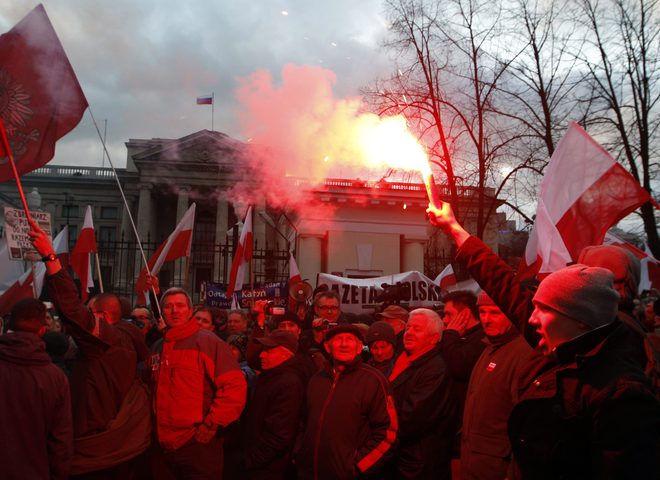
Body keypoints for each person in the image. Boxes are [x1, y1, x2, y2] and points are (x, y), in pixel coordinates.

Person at [426, 200, 660, 478]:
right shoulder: (564, 339)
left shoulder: (622, 391)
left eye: (544, 310)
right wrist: (454, 230)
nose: (531, 319)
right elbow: (505, 286)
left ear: (580, 317)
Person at [29, 221, 151, 479]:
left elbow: (73, 312)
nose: (87, 317)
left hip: (96, 439)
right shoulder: (128, 340)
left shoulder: (107, 340)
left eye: (91, 313)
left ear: (103, 316)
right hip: (118, 440)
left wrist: (50, 257)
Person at [149, 287, 247, 479]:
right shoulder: (158, 347)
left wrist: (211, 425)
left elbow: (234, 387)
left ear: (189, 310)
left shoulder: (209, 343)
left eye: (180, 306)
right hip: (162, 446)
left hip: (197, 445)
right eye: (168, 306)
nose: (174, 311)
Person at [297, 324, 398, 479]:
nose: (344, 344)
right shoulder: (316, 380)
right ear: (327, 346)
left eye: (350, 339)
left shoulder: (374, 380)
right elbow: (304, 423)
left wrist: (358, 467)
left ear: (359, 348)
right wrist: (299, 453)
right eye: (338, 339)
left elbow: (388, 433)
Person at [460, 293, 533, 479]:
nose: (486, 319)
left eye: (494, 313)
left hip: (497, 466)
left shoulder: (523, 353)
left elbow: (524, 424)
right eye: (482, 312)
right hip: (478, 461)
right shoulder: (489, 348)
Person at [0, 298, 73, 480]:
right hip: (34, 471)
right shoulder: (55, 377)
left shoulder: (54, 376)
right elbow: (61, 440)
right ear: (42, 330)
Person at [385, 308, 457, 479]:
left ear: (434, 338)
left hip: (418, 464)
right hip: (399, 458)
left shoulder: (435, 369)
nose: (409, 333)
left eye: (417, 329)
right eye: (408, 327)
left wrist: (376, 424)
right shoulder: (402, 359)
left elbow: (411, 418)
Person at [243, 330, 305, 479]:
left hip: (269, 468)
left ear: (286, 354)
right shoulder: (271, 377)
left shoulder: (287, 383)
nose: (262, 354)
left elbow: (279, 434)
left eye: (269, 350)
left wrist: (250, 462)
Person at [438, 290, 486, 459]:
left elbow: (458, 366)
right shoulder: (459, 337)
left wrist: (450, 335)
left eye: (449, 314)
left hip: (465, 429)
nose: (444, 320)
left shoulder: (482, 339)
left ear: (465, 314)